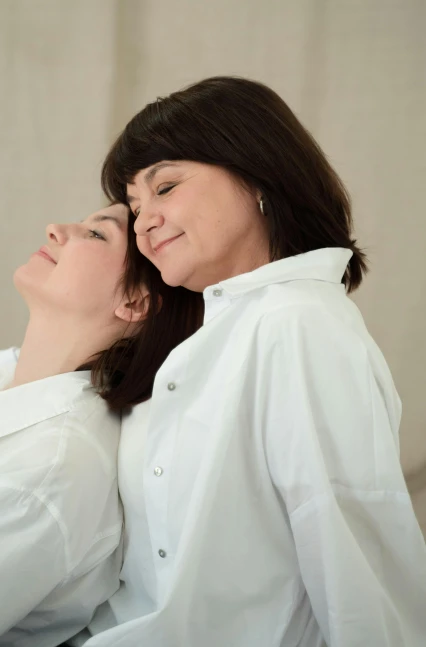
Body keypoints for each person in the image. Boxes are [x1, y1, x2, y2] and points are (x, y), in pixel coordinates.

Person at [77, 76, 426, 646]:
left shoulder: (296, 323)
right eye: (135, 205)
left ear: (257, 174)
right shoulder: (211, 329)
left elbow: (352, 552)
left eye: (164, 188)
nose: (142, 221)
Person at [0, 203, 203, 647]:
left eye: (97, 234)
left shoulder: (40, 479)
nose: (55, 230)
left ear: (134, 301)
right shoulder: (5, 376)